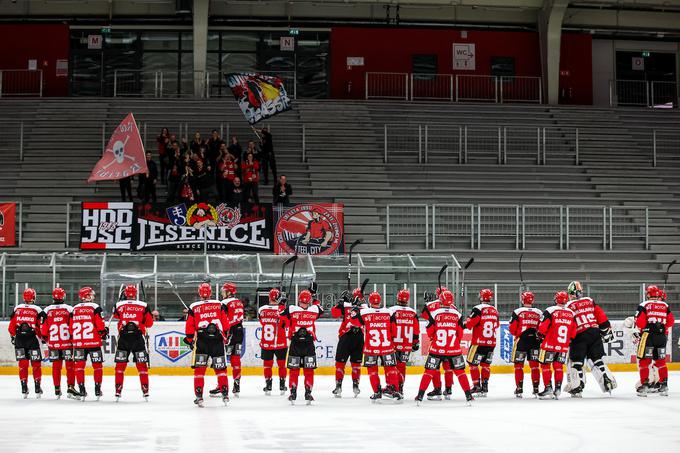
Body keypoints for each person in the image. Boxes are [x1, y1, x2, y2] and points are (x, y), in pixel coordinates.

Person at [415, 289, 473, 405]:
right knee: (460, 373)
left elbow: (430, 331)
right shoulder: (458, 314)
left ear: (440, 300)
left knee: (429, 372)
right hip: (454, 350)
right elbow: (460, 334)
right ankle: (468, 396)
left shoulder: (435, 313)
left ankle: (420, 396)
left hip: (436, 349)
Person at [563, 281, 616, 397]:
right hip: (594, 332)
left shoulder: (568, 306)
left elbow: (568, 323)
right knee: (596, 359)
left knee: (576, 362)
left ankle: (577, 387)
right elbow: (600, 315)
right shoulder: (589, 301)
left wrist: (569, 339)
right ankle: (607, 380)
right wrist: (606, 329)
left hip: (579, 334)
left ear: (571, 293)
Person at [184, 283, 230, 407]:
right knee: (220, 369)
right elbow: (225, 324)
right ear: (210, 292)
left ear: (199, 293)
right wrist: (225, 337)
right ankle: (225, 393)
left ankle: (199, 396)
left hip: (202, 341)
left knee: (199, 370)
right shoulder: (219, 304)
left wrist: (189, 340)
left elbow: (189, 327)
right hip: (217, 341)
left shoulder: (193, 307)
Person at [350, 292, 402, 402]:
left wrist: (354, 308)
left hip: (371, 348)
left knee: (372, 371)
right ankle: (395, 391)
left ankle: (377, 392)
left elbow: (353, 321)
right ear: (380, 301)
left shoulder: (364, 313)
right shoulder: (389, 312)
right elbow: (395, 330)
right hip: (387, 346)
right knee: (391, 368)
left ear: (370, 301)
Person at [280, 289, 323, 405]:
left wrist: (282, 305)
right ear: (309, 301)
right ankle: (308, 392)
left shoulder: (292, 309)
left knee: (294, 370)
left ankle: (293, 392)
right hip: (309, 344)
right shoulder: (314, 309)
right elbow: (320, 308)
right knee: (309, 370)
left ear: (299, 299)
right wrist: (313, 296)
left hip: (295, 344)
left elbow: (282, 317)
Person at [112, 284, 154, 401]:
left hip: (123, 339)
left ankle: (118, 391)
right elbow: (149, 323)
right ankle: (145, 391)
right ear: (135, 294)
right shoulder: (143, 305)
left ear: (125, 293)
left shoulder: (119, 305)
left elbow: (115, 315)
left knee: (120, 367)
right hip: (138, 339)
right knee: (142, 367)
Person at [632, 285, 674, 396]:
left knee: (644, 362)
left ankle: (645, 385)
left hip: (647, 336)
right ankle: (664, 385)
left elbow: (639, 322)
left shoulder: (644, 305)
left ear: (648, 294)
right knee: (661, 362)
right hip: (661, 337)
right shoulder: (665, 305)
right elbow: (670, 321)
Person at [536, 291, 577, 400]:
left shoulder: (550, 310)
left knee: (545, 366)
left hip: (549, 344)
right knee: (558, 367)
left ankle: (548, 387)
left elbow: (542, 328)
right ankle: (558, 388)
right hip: (563, 346)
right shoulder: (571, 313)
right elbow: (573, 331)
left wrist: (540, 336)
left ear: (556, 299)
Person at [40, 287, 78, 399]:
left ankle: (57, 389)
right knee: (70, 366)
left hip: (53, 344)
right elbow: (72, 327)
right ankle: (71, 387)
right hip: (67, 344)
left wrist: (47, 340)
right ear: (64, 296)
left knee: (56, 367)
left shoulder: (46, 310)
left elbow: (43, 329)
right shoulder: (69, 309)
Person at [71, 286, 108, 401]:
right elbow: (100, 325)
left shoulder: (74, 309)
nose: (92, 296)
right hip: (93, 343)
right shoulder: (95, 307)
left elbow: (71, 326)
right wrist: (104, 332)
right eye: (90, 294)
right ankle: (97, 389)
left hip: (79, 343)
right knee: (97, 367)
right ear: (87, 296)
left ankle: (81, 389)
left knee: (79, 368)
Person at [208, 282, 243, 398]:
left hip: (229, 332)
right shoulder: (239, 302)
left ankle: (221, 384)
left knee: (220, 359)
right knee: (236, 358)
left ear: (229, 292)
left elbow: (222, 318)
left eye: (224, 291)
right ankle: (237, 383)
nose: (222, 293)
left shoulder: (224, 303)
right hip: (239, 331)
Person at [331, 287, 367, 398]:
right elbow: (334, 313)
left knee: (356, 363)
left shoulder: (366, 308)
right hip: (345, 336)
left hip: (358, 337)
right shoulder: (346, 306)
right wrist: (340, 302)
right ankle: (338, 385)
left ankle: (355, 385)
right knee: (340, 363)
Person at [8, 288, 43, 399]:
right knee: (36, 364)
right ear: (34, 297)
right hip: (32, 340)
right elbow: (40, 327)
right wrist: (42, 338)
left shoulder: (17, 308)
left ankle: (24, 387)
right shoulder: (37, 309)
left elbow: (11, 327)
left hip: (19, 340)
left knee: (23, 365)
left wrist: (14, 336)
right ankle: (37, 387)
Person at [465, 288, 499, 397]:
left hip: (478, 342)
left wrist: (465, 322)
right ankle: (485, 386)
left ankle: (476, 386)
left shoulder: (478, 309)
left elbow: (471, 323)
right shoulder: (494, 310)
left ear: (481, 297)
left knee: (472, 363)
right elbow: (496, 325)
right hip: (491, 343)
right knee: (485, 365)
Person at [420, 286, 453, 399]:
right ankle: (448, 390)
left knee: (435, 366)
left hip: (436, 341)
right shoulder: (453, 307)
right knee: (448, 367)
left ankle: (437, 389)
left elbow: (424, 316)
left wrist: (427, 303)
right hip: (450, 343)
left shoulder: (431, 305)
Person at [508, 291, 543, 398]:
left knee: (518, 366)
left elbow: (512, 328)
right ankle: (536, 388)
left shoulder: (517, 311)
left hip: (521, 341)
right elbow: (541, 327)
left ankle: (519, 388)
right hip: (535, 341)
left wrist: (517, 334)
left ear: (522, 300)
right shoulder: (539, 312)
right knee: (535, 366)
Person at [258, 288, 288, 395]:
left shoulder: (262, 309)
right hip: (280, 342)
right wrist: (283, 307)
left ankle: (268, 385)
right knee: (282, 365)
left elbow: (262, 321)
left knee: (267, 365)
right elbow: (286, 324)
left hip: (267, 343)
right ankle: (282, 385)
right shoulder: (282, 310)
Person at [389, 288, 420, 394]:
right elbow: (416, 329)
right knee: (402, 366)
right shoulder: (413, 312)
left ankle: (393, 387)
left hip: (393, 344)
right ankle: (400, 387)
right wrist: (415, 341)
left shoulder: (391, 310)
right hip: (406, 345)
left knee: (391, 366)